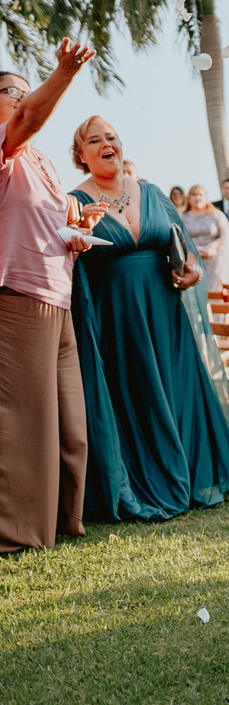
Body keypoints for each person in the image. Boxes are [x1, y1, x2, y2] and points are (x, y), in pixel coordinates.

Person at [69, 117, 229, 520]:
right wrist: (77, 240)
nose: (106, 142)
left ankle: (189, 474)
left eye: (111, 136)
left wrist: (192, 273)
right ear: (81, 155)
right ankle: (141, 480)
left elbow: (182, 248)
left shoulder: (149, 191)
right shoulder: (74, 200)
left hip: (164, 310)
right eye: (94, 140)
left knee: (175, 387)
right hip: (117, 317)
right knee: (135, 393)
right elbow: (67, 261)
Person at [0, 40, 94, 552]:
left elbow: (55, 225)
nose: (20, 97)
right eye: (11, 91)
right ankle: (15, 533)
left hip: (60, 297)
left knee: (70, 426)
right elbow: (30, 119)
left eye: (23, 90)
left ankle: (65, 519)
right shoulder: (7, 146)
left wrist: (76, 235)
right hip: (16, 294)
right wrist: (64, 72)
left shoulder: (43, 164)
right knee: (23, 424)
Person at [181, 184, 229, 292]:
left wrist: (212, 247)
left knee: (215, 292)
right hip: (192, 261)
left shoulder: (216, 215)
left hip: (215, 261)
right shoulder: (182, 217)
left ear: (206, 197)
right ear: (188, 198)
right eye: (194, 194)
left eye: (200, 194)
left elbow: (226, 236)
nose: (198, 198)